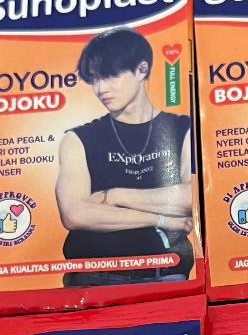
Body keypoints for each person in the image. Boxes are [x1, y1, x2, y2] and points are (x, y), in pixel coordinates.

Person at [56, 28, 195, 288]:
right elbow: (75, 214)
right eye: (94, 79)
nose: (100, 88)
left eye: (110, 76)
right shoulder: (77, 139)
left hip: (166, 275)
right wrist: (162, 219)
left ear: (142, 70)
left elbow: (191, 200)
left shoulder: (183, 128)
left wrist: (115, 196)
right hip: (92, 278)